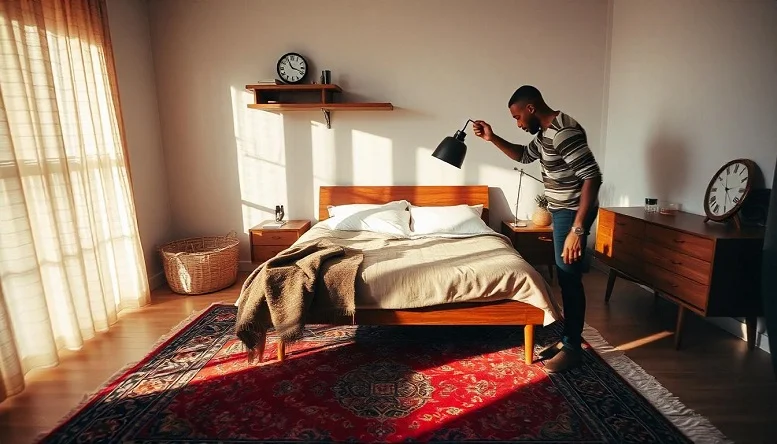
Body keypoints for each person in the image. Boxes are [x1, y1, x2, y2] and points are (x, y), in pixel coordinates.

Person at [473, 85, 603, 373]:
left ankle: (572, 349)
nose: (518, 124)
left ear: (531, 108)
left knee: (569, 278)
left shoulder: (563, 132)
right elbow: (523, 156)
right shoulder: (545, 133)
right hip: (561, 211)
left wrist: (577, 230)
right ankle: (569, 339)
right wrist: (492, 138)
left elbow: (592, 177)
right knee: (566, 279)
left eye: (518, 117)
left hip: (572, 213)